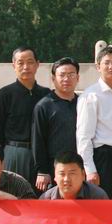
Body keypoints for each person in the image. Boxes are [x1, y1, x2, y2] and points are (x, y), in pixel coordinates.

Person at [76, 46, 112, 199]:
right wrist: (90, 169)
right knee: (103, 203)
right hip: (103, 157)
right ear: (98, 66)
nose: (111, 67)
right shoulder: (91, 96)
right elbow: (83, 137)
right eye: (107, 63)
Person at [0, 46, 50, 186]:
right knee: (13, 193)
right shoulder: (5, 94)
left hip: (42, 154)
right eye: (20, 63)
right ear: (14, 65)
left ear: (37, 64)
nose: (26, 67)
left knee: (41, 196)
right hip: (14, 152)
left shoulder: (46, 94)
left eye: (30, 62)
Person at [32, 58, 79, 193]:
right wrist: (42, 171)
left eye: (71, 74)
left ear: (78, 78)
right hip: (54, 168)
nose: (66, 79)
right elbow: (38, 140)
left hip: (78, 166)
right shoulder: (44, 106)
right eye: (62, 75)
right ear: (53, 78)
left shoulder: (83, 102)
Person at [39, 152, 108, 200]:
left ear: (83, 175)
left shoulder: (98, 197)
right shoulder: (46, 199)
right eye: (62, 174)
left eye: (72, 173)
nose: (66, 179)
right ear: (55, 177)